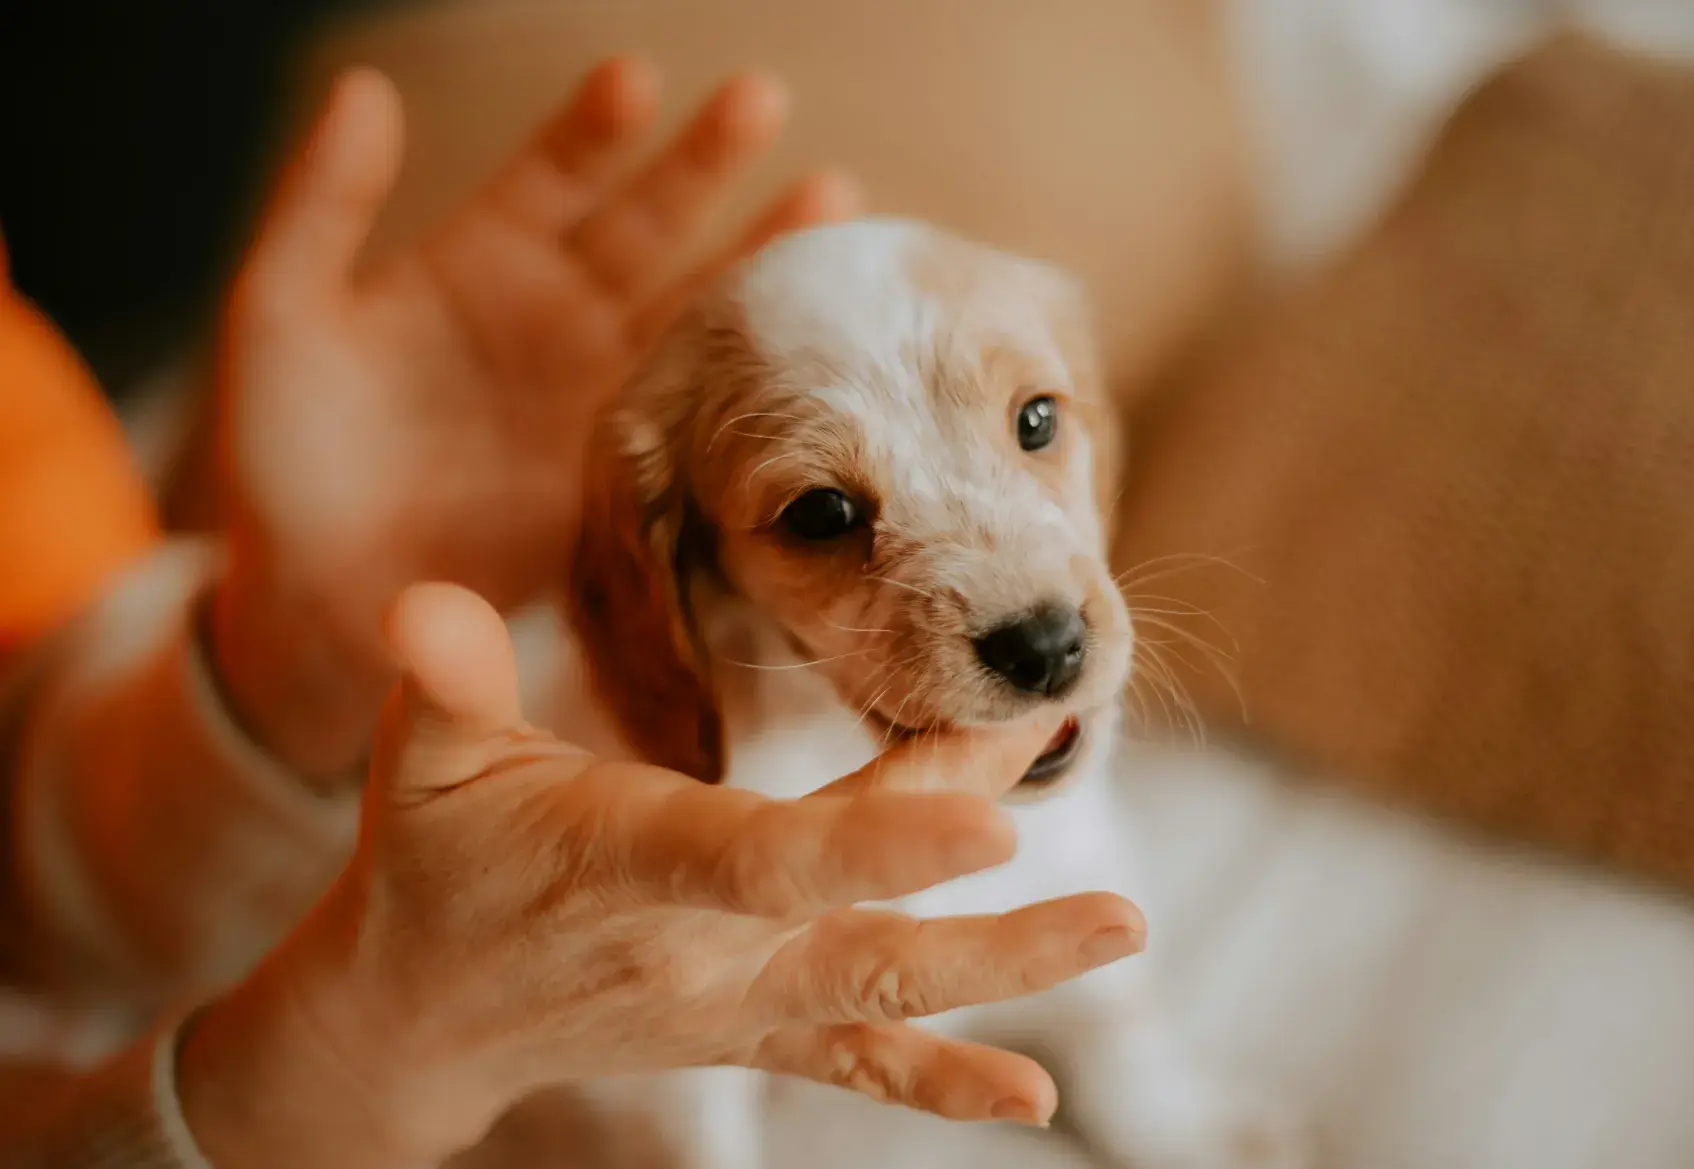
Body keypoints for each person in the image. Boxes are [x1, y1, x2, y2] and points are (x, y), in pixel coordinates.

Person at [0, 58, 1146, 1165]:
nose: (1038, 615)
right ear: (665, 564)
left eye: (1036, 423)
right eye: (823, 512)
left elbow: (37, 714)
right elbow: (659, 1083)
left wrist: (289, 652)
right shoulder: (653, 715)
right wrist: (331, 1065)